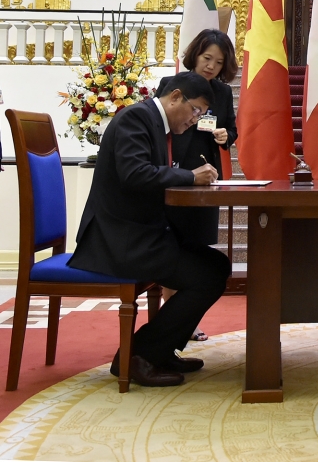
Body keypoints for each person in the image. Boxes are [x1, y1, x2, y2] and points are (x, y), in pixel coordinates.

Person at [69, 72, 230, 386]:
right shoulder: (137, 119)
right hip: (120, 238)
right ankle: (138, 355)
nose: (196, 119)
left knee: (216, 265)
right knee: (207, 274)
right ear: (175, 97)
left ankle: (160, 350)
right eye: (195, 110)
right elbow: (135, 173)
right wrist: (189, 177)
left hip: (141, 232)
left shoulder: (155, 123)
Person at [157, 29, 238, 341]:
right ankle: (176, 317)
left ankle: (184, 315)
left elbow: (231, 130)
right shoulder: (171, 85)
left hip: (207, 173)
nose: (211, 67)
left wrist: (224, 136)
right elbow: (159, 124)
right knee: (173, 245)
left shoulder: (222, 92)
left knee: (199, 245)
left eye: (218, 62)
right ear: (196, 55)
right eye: (207, 59)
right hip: (175, 170)